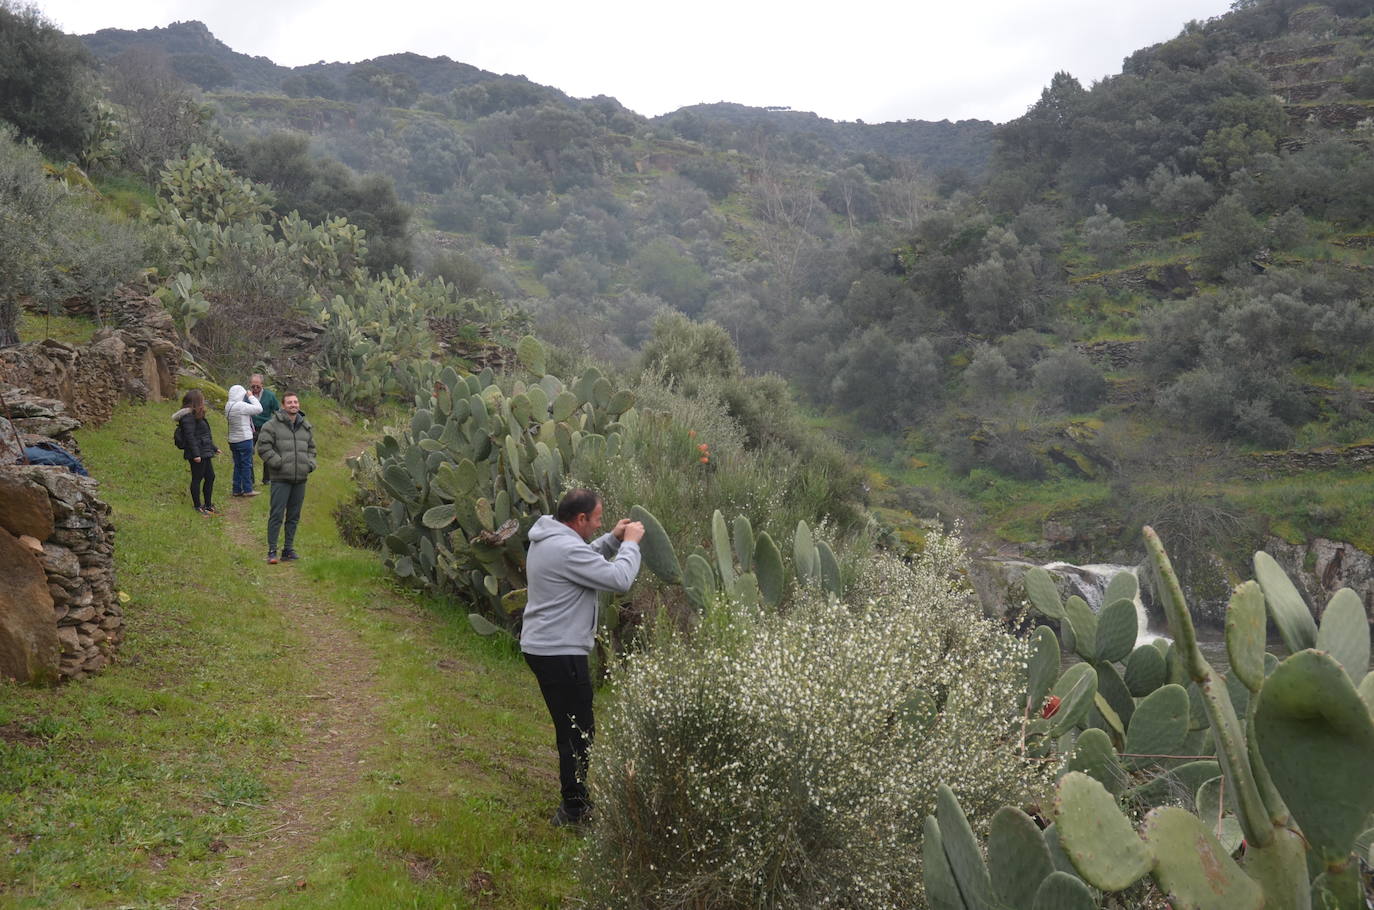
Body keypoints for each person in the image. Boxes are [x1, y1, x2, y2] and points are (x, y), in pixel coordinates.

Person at [521, 489, 644, 827]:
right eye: (597, 519)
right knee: (577, 733)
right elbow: (619, 578)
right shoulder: (563, 547)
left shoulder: (549, 536)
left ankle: (576, 802)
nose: (600, 523)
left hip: (546, 647)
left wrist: (611, 540)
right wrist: (631, 543)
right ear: (579, 519)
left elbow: (582, 556)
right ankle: (573, 810)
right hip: (560, 652)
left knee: (573, 729)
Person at [255, 393, 315, 564]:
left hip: (300, 478)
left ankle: (288, 549)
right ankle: (272, 551)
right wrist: (278, 463)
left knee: (294, 516)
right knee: (276, 515)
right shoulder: (271, 425)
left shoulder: (305, 426)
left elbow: (312, 448)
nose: (293, 405)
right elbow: (263, 447)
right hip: (281, 478)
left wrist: (309, 464)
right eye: (289, 402)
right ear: (283, 405)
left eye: (296, 402)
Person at [172, 389, 220, 515]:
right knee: (197, 478)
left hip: (205, 451)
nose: (204, 402)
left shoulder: (197, 415)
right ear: (196, 401)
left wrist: (214, 448)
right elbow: (190, 437)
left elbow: (203, 435)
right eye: (202, 400)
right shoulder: (187, 417)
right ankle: (197, 506)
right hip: (198, 453)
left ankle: (208, 505)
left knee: (210, 476)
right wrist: (196, 454)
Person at [224, 384, 263, 497]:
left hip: (233, 440)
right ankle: (247, 489)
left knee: (237, 465)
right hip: (244, 439)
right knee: (246, 464)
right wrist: (251, 396)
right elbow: (259, 408)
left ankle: (236, 489)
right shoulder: (241, 406)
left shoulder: (228, 405)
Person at [249, 374, 279, 485]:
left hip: (266, 427)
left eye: (258, 386)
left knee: (267, 452)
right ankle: (250, 480)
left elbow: (277, 410)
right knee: (248, 452)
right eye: (253, 387)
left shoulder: (270, 396)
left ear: (262, 385)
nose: (255, 389)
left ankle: (267, 479)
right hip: (250, 428)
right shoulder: (247, 396)